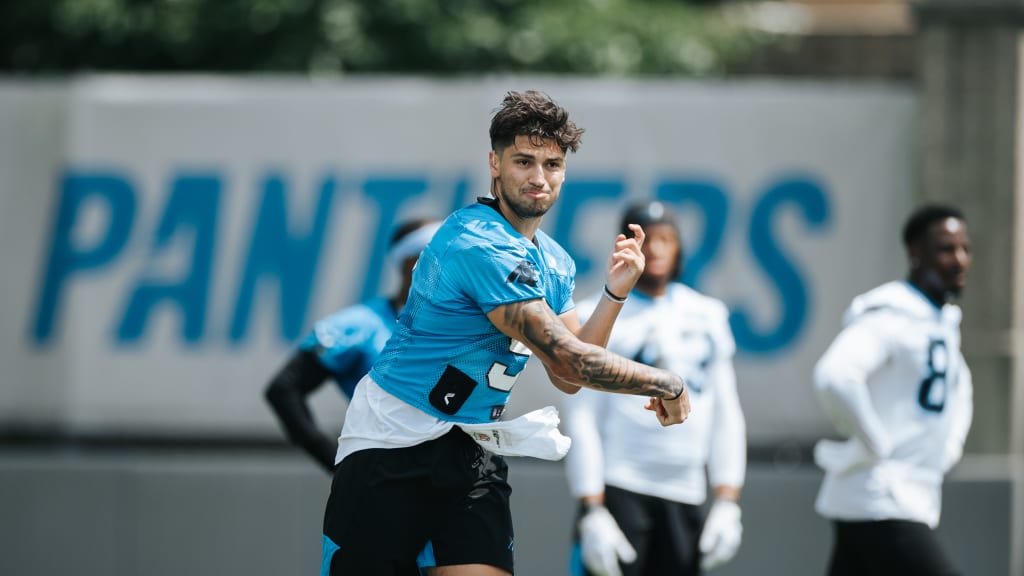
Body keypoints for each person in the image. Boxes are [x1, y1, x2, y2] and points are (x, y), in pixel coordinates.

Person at [320, 90, 692, 576]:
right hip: (391, 443)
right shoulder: (477, 240)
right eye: (523, 161)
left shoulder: (554, 260)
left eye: (552, 164)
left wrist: (614, 295)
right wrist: (666, 381)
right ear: (494, 165)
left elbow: (569, 379)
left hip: (471, 448)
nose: (539, 178)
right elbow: (569, 361)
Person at [564, 200, 747, 576]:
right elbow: (581, 416)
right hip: (621, 486)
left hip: (686, 491)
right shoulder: (597, 313)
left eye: (667, 239)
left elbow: (726, 412)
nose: (657, 249)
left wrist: (728, 499)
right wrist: (592, 507)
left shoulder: (708, 315)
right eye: (647, 239)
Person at [813, 204, 973, 576]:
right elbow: (835, 375)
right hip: (883, 497)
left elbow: (960, 385)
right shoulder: (891, 313)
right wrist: (875, 442)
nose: (960, 260)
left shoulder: (941, 320)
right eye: (947, 249)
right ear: (916, 254)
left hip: (895, 497)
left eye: (965, 249)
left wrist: (950, 447)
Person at [263, 217, 440, 473]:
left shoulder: (470, 322)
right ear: (409, 262)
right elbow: (283, 389)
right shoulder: (359, 326)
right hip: (387, 478)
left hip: (455, 482)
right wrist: (338, 463)